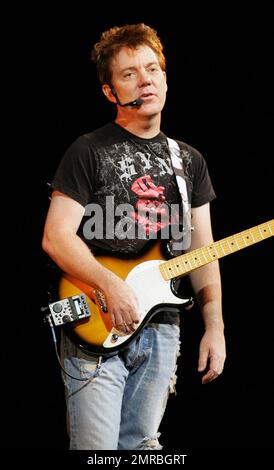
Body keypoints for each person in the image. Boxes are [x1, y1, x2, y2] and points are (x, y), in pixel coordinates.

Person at [42, 23, 226, 450]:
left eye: (152, 70)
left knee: (143, 447)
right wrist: (109, 284)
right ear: (110, 92)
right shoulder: (88, 150)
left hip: (162, 328)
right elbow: (56, 237)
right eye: (130, 74)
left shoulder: (189, 161)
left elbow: (204, 251)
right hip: (97, 321)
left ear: (165, 77)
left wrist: (214, 326)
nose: (145, 80)